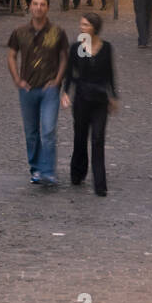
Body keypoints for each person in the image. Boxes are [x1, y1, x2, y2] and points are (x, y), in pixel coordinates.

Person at [6, 0, 69, 186]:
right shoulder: (20, 32)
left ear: (47, 8)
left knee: (48, 130)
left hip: (49, 88)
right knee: (31, 132)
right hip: (27, 88)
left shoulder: (57, 32)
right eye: (35, 4)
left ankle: (48, 171)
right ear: (30, 7)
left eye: (42, 4)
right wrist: (17, 79)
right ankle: (35, 169)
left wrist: (58, 80)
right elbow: (11, 55)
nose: (38, 7)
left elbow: (64, 57)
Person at [60, 12, 117, 197]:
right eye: (81, 24)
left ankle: (100, 184)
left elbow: (110, 73)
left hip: (100, 99)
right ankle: (77, 172)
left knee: (98, 139)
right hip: (82, 98)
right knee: (80, 137)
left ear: (94, 27)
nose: (81, 28)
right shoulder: (77, 47)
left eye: (85, 25)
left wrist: (113, 96)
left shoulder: (106, 48)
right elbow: (70, 72)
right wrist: (66, 92)